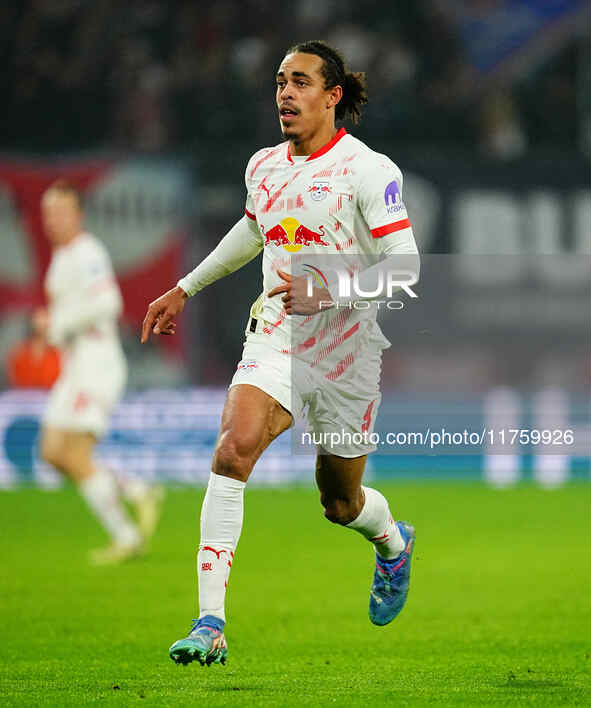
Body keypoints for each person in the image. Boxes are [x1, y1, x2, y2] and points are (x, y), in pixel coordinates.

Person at [141, 41, 419, 666]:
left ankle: (391, 542)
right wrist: (186, 287)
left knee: (339, 502)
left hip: (347, 350)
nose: (285, 93)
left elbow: (406, 266)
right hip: (277, 335)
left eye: (300, 82)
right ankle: (211, 620)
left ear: (333, 95)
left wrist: (331, 289)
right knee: (232, 449)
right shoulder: (264, 165)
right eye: (280, 82)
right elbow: (253, 227)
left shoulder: (368, 170)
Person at [39, 180, 164, 565]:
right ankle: (135, 489)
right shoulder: (62, 258)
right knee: (52, 453)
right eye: (48, 214)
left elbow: (108, 302)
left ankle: (127, 536)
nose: (54, 221)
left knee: (74, 453)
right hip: (75, 366)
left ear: (78, 214)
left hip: (96, 365)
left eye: (61, 212)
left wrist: (57, 324)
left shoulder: (87, 252)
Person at [6, 308, 61, 389]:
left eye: (45, 325)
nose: (42, 326)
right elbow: (17, 383)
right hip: (22, 399)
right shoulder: (19, 353)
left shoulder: (58, 355)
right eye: (39, 321)